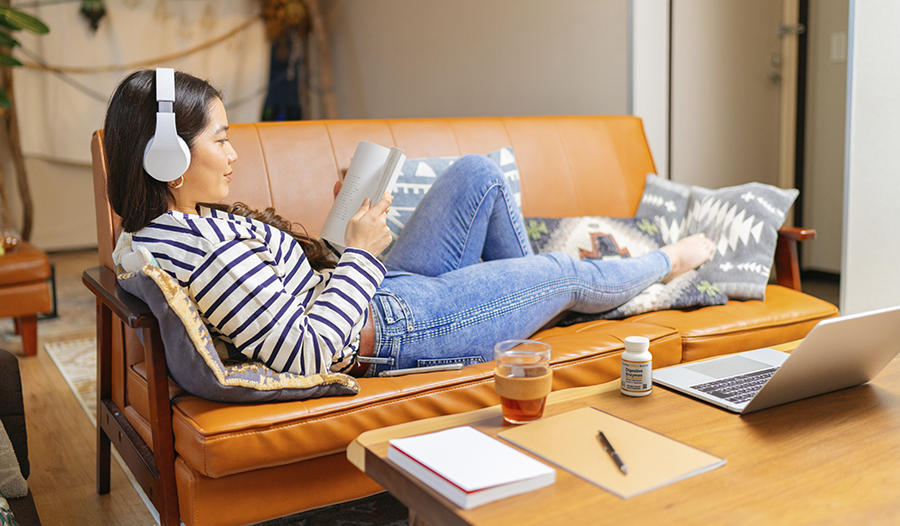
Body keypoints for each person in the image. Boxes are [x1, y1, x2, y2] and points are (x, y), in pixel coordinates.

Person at [105, 69, 715, 378]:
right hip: (389, 327)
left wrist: (345, 231)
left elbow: (282, 289)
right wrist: (363, 256)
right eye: (222, 140)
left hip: (367, 291)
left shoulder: (168, 226)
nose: (234, 155)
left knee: (476, 174)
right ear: (170, 160)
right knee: (560, 269)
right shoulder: (200, 250)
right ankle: (663, 264)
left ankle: (527, 295)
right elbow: (310, 350)